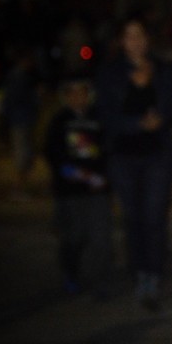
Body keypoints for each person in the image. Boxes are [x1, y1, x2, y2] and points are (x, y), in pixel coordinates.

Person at [96, 15, 172, 311]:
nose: (136, 41)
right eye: (130, 35)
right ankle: (139, 272)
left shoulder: (163, 69)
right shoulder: (110, 73)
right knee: (133, 218)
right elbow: (104, 116)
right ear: (121, 40)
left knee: (154, 217)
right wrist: (136, 124)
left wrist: (161, 117)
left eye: (141, 35)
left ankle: (153, 277)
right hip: (123, 156)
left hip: (158, 154)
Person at [43, 77, 113, 297]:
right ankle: (71, 273)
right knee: (74, 238)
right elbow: (54, 155)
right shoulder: (59, 121)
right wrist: (77, 174)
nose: (78, 97)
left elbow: (109, 151)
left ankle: (100, 281)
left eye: (82, 92)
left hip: (97, 190)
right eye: (72, 93)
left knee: (101, 239)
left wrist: (102, 178)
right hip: (70, 192)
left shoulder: (100, 118)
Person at [1, 45, 42, 198]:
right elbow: (14, 100)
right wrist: (35, 96)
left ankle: (22, 187)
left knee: (27, 156)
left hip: (23, 120)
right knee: (22, 156)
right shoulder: (18, 76)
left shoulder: (21, 75)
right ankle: (17, 189)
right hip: (20, 121)